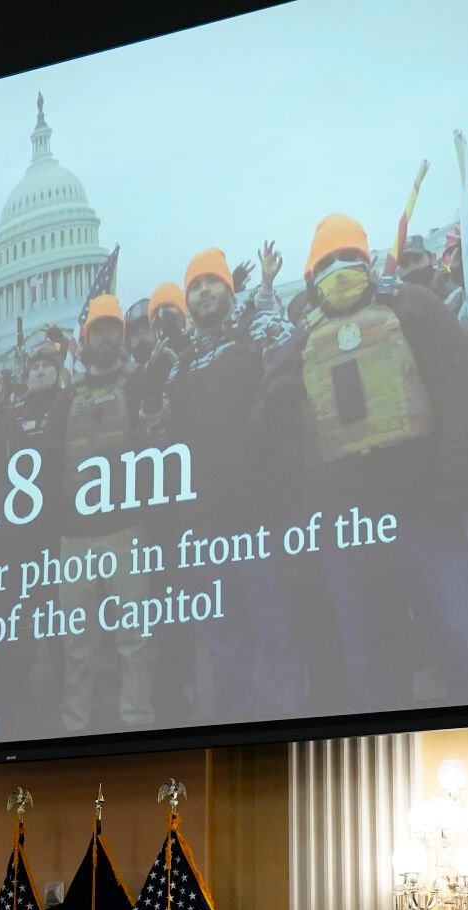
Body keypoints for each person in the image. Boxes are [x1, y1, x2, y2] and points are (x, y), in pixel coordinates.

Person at [279, 213, 468, 710]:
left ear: (368, 260)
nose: (338, 268)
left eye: (348, 257)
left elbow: (457, 392)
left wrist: (450, 486)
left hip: (425, 513)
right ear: (311, 278)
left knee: (465, 649)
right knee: (372, 673)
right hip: (349, 534)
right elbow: (275, 434)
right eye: (326, 262)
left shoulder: (414, 305)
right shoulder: (298, 342)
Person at [157, 244, 299, 722]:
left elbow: (290, 363)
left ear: (229, 290)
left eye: (212, 282)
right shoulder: (179, 365)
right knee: (223, 640)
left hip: (259, 516)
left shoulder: (257, 332)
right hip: (204, 528)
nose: (203, 292)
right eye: (195, 286)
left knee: (272, 631)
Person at [46, 294, 155, 732]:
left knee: (134, 640)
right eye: (98, 331)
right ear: (87, 339)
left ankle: (137, 722)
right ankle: (75, 727)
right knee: (77, 645)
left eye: (113, 330)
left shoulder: (140, 384)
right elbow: (50, 463)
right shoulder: (66, 398)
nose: (106, 338)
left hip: (126, 531)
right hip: (76, 538)